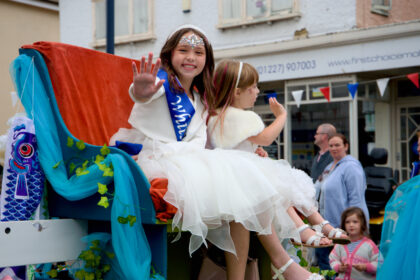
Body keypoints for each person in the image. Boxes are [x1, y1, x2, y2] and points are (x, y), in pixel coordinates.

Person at [111, 26, 322, 280]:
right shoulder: (161, 84)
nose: (191, 57)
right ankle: (288, 258)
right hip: (163, 160)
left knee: (243, 199)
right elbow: (145, 95)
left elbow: (206, 144)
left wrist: (251, 152)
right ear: (169, 55)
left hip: (191, 161)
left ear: (206, 60)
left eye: (198, 52)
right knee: (242, 184)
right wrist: (141, 92)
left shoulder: (200, 98)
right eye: (184, 50)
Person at [208, 60, 349, 247]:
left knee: (282, 186)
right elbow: (265, 138)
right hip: (241, 175)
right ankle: (310, 226)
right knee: (281, 186)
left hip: (227, 174)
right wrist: (281, 116)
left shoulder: (215, 115)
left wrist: (253, 150)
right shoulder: (242, 116)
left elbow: (233, 143)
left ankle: (313, 225)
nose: (257, 91)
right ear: (237, 92)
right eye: (253, 87)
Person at [314, 133, 369, 271]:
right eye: (331, 145)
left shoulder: (351, 167)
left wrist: (353, 226)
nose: (334, 148)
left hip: (343, 228)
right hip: (327, 227)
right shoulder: (329, 167)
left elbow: (356, 199)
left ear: (346, 146)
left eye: (337, 145)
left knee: (341, 266)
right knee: (325, 264)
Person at [329, 207, 379, 280]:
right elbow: (332, 259)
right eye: (347, 222)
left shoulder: (369, 245)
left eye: (355, 222)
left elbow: (379, 263)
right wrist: (338, 267)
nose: (351, 225)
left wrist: (366, 267)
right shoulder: (340, 243)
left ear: (362, 224)